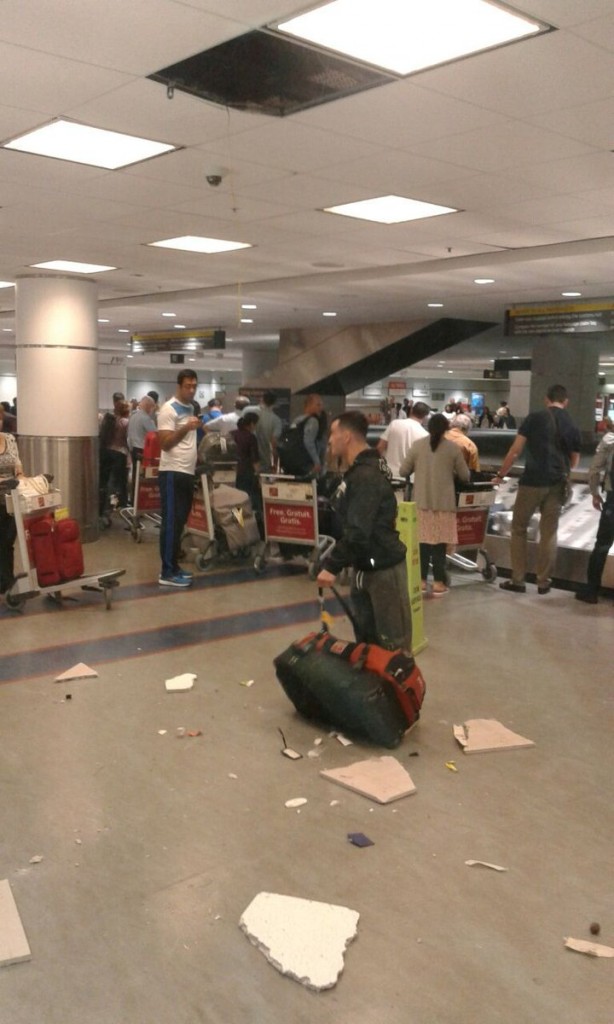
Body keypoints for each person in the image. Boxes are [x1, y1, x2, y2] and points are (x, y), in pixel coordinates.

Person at [316, 411, 412, 652]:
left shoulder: (366, 476)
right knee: (368, 644)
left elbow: (359, 531)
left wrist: (331, 566)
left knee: (393, 646)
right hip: (366, 568)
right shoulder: (360, 471)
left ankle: (399, 689)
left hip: (383, 571)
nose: (329, 440)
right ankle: (375, 688)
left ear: (346, 437)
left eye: (333, 434)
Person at [496, 383, 581, 595]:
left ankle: (518, 580)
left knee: (519, 529)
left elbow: (515, 450)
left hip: (532, 481)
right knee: (549, 532)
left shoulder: (534, 418)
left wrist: (500, 475)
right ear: (566, 401)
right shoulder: (572, 424)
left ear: (546, 399)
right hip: (556, 484)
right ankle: (544, 582)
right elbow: (575, 461)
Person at [400, 413, 470, 596]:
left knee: (422, 543)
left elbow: (403, 470)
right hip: (444, 504)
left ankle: (421, 581)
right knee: (439, 544)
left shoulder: (417, 446)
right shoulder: (453, 449)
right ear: (446, 428)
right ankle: (438, 582)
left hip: (422, 503)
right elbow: (465, 476)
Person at [157, 369, 200, 588]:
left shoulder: (191, 408)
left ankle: (174, 566)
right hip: (172, 472)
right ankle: (166, 571)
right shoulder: (168, 409)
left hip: (187, 472)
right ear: (179, 385)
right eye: (187, 386)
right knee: (171, 522)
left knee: (180, 522)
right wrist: (185, 428)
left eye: (194, 386)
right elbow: (165, 443)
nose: (191, 390)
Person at [575, 418, 614, 604]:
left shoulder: (609, 440)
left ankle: (591, 590)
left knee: (603, 544)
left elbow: (595, 469)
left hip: (613, 500)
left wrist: (594, 493)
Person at [0, 407, 23, 595]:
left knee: (8, 542)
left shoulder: (9, 439)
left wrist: (22, 476)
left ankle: (7, 580)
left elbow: (16, 463)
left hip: (10, 500)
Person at [376, 401, 430, 477]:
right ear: (425, 417)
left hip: (388, 474)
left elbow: (380, 447)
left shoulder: (394, 424)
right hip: (409, 479)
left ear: (411, 410)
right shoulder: (425, 435)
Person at [99, 392, 129, 517]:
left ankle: (102, 505)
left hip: (106, 452)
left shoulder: (110, 420)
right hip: (119, 453)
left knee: (105, 481)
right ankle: (112, 506)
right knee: (116, 482)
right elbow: (128, 440)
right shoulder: (125, 422)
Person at [127, 396, 157, 503]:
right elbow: (154, 433)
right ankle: (141, 501)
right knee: (143, 477)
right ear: (149, 406)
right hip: (142, 451)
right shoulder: (146, 418)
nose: (152, 410)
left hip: (133, 449)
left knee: (135, 475)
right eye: (152, 407)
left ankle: (134, 500)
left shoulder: (133, 416)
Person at [232, 412, 260, 510]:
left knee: (234, 498)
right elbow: (254, 459)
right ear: (252, 424)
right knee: (246, 497)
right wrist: (258, 475)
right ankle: (247, 519)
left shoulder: (232, 433)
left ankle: (236, 519)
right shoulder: (251, 437)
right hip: (246, 472)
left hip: (232, 470)